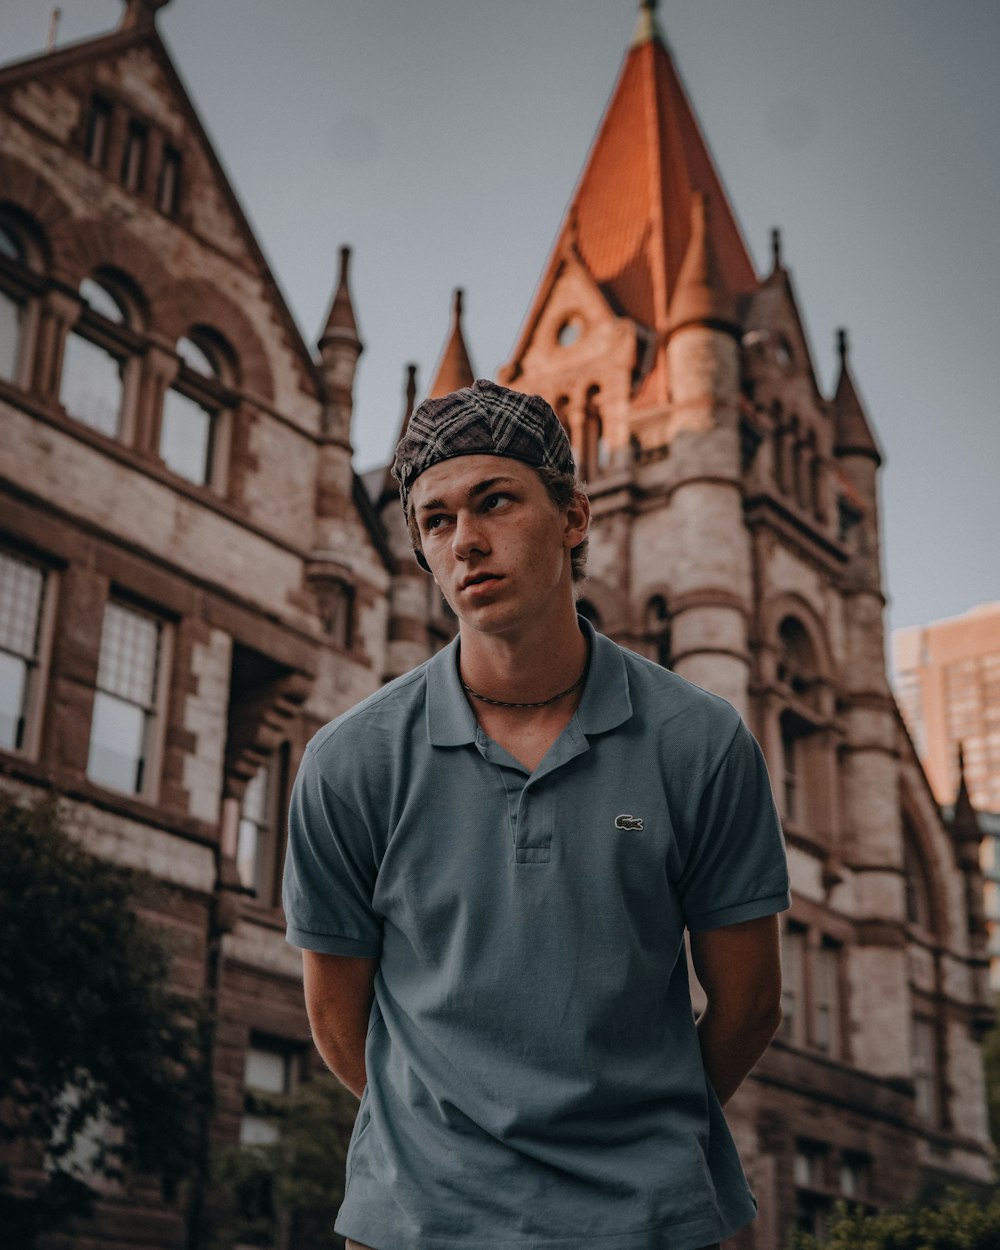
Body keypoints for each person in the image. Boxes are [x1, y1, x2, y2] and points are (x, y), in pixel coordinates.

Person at [283, 379, 790, 1250]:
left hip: (647, 1222)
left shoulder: (699, 743)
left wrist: (641, 1136)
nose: (466, 542)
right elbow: (336, 1020)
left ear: (574, 515)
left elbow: (748, 1006)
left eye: (496, 502)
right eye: (435, 521)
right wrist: (453, 1141)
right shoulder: (350, 761)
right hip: (417, 1224)